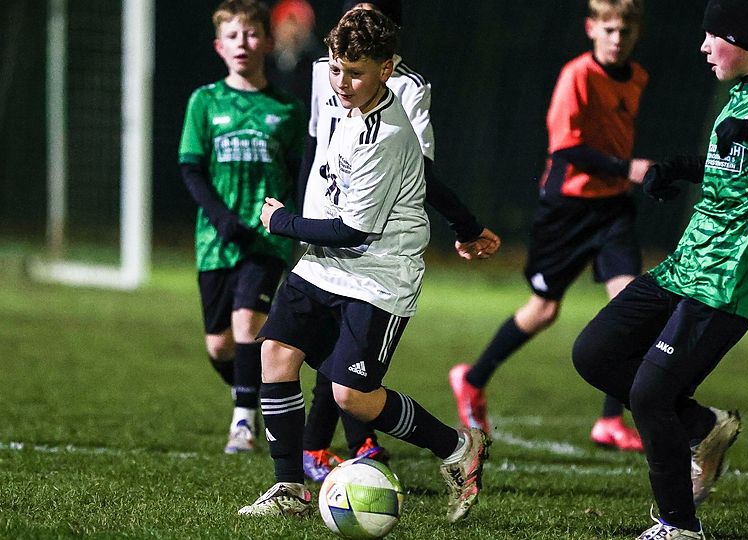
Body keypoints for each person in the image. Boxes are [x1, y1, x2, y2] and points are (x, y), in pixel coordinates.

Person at [570, 0, 748, 537]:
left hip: (727, 279)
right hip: (684, 266)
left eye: (712, 36)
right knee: (594, 352)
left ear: (740, 39)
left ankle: (679, 525)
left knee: (650, 395)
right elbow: (732, 166)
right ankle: (702, 425)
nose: (702, 47)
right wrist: (676, 168)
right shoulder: (740, 95)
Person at [238, 8, 491, 522]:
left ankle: (458, 447)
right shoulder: (346, 102)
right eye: (336, 68)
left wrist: (283, 221)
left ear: (386, 69)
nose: (342, 81)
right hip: (323, 264)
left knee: (352, 397)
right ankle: (288, 487)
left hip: (379, 275)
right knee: (275, 355)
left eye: (355, 72)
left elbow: (355, 231)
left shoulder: (387, 135)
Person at [299, 0, 502, 483]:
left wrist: (464, 224)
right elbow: (315, 144)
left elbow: (418, 169)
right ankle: (314, 453)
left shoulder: (408, 88)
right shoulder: (325, 69)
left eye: (370, 14)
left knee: (345, 356)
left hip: (373, 239)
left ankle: (336, 445)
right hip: (323, 230)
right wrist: (301, 219)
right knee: (297, 348)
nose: (357, 23)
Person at [449, 0, 651, 451]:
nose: (617, 39)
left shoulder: (637, 76)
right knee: (543, 309)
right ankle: (473, 379)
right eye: (609, 29)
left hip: (613, 209)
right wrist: (627, 168)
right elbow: (565, 149)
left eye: (625, 31)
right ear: (591, 28)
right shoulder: (577, 76)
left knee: (629, 305)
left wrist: (628, 175)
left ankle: (610, 420)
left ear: (636, 34)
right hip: (567, 210)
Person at [178, 0, 305, 454]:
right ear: (219, 46)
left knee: (249, 322)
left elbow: (301, 174)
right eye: (232, 36)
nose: (242, 44)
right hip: (216, 240)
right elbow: (191, 168)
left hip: (266, 238)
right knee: (219, 346)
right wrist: (221, 218)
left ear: (268, 42)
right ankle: (256, 395)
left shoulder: (288, 109)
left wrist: (294, 222)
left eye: (251, 34)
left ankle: (243, 426)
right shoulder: (204, 101)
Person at [265, 0, 322, 108]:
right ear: (276, 26)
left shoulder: (316, 66)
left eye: (303, 25)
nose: (295, 31)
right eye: (291, 23)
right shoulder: (262, 63)